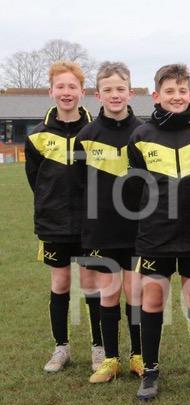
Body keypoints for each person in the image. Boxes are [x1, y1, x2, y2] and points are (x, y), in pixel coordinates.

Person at [127, 63, 190, 400]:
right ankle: (150, 371)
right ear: (156, 95)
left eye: (182, 91)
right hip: (156, 234)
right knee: (152, 299)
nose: (176, 96)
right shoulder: (141, 136)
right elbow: (133, 189)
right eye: (169, 91)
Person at [24, 61, 103, 373]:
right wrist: (51, 204)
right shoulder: (37, 137)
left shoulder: (96, 133)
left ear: (82, 92)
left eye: (72, 86)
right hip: (54, 223)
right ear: (51, 91)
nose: (66, 92)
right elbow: (36, 181)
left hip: (90, 224)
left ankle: (99, 348)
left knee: (90, 282)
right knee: (59, 282)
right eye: (61, 86)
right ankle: (61, 348)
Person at [74, 61, 145, 383]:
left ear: (130, 92)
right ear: (97, 95)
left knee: (136, 293)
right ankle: (111, 359)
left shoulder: (143, 134)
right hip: (101, 230)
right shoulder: (86, 136)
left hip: (138, 230)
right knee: (109, 294)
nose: (115, 95)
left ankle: (138, 356)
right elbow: (79, 185)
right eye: (108, 90)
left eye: (120, 89)